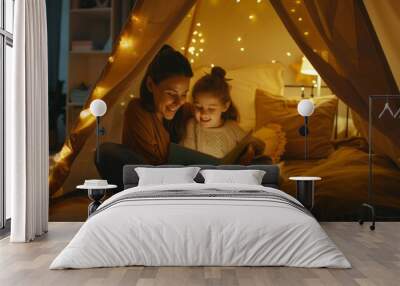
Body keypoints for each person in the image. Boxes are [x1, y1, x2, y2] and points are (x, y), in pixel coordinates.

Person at [96, 45, 193, 190]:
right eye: (171, 94)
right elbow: (154, 164)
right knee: (106, 151)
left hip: (179, 180)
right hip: (147, 180)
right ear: (150, 85)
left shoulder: (185, 111)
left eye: (184, 94)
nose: (179, 102)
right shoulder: (138, 110)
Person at [181, 66, 264, 162]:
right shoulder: (192, 125)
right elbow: (187, 155)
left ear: (225, 106)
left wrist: (250, 149)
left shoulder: (232, 127)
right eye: (198, 107)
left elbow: (258, 145)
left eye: (211, 109)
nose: (204, 113)